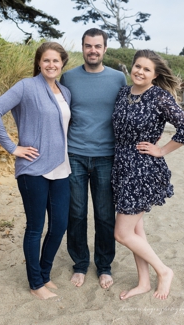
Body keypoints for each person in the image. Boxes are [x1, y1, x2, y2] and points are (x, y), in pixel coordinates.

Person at [0, 41, 72, 300]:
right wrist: (13, 148)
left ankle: (44, 274)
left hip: (62, 167)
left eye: (56, 61)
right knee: (35, 227)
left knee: (59, 225)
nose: (51, 64)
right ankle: (36, 284)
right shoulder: (26, 86)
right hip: (33, 169)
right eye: (46, 60)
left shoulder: (65, 92)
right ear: (39, 62)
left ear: (62, 64)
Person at [111, 50, 184, 300]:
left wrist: (161, 150)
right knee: (136, 230)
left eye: (147, 69)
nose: (140, 71)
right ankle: (144, 282)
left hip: (143, 169)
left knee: (122, 233)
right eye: (137, 66)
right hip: (122, 167)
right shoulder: (123, 93)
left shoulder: (159, 96)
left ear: (155, 75)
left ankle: (163, 270)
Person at [59, 28, 125, 289]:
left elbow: (128, 113)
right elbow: (60, 112)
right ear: (83, 47)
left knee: (105, 215)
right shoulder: (68, 77)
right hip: (74, 153)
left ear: (105, 49)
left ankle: (104, 266)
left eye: (98, 46)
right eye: (88, 46)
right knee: (76, 213)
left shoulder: (118, 78)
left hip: (107, 156)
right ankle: (80, 264)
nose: (93, 50)